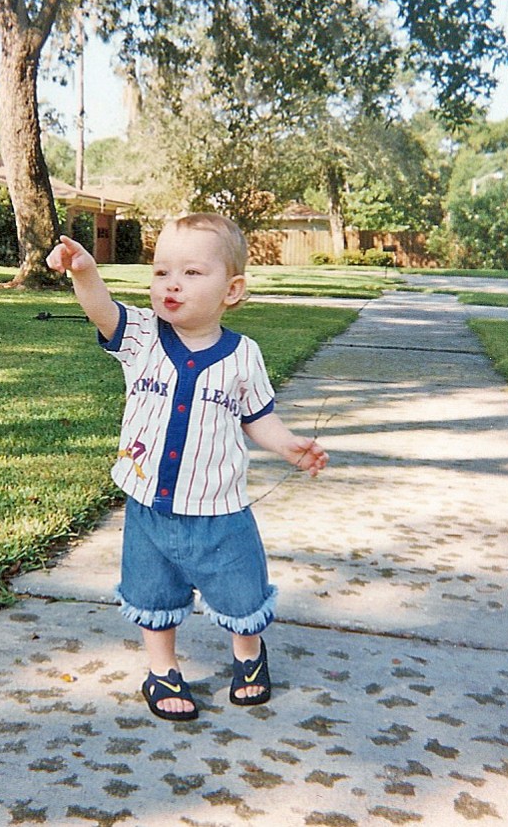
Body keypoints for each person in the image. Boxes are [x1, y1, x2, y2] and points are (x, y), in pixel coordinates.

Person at [46, 212, 327, 721]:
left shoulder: (244, 356)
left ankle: (248, 657)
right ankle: (163, 669)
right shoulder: (143, 338)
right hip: (148, 505)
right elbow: (102, 309)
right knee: (153, 592)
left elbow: (258, 418)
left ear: (232, 289)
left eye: (193, 273)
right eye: (161, 272)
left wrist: (290, 448)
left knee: (242, 593)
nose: (172, 283)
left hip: (220, 508)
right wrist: (84, 272)